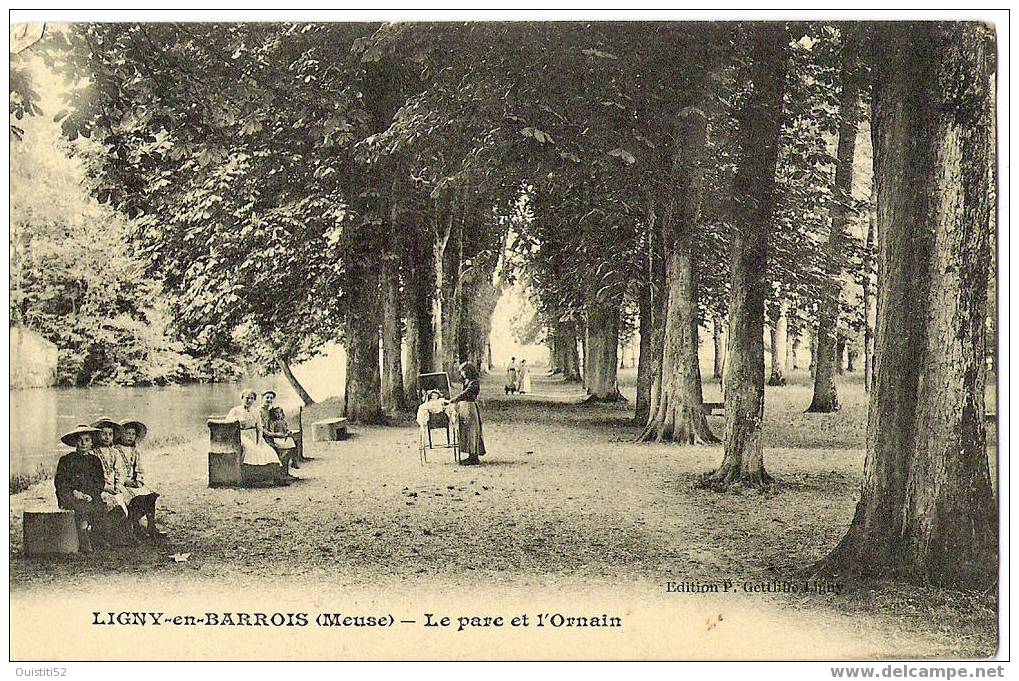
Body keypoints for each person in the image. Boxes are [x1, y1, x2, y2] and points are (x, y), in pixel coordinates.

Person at [54, 425, 106, 553]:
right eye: (80, 440)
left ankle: (96, 536)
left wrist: (90, 494)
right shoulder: (66, 460)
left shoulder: (95, 461)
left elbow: (99, 482)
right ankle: (83, 537)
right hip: (70, 495)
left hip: (89, 495)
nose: (83, 443)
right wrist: (74, 492)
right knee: (80, 508)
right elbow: (60, 482)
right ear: (75, 442)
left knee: (99, 506)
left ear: (92, 442)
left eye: (87, 440)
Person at [225, 389, 288, 485]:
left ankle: (273, 477)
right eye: (247, 398)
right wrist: (237, 421)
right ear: (242, 398)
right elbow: (227, 424)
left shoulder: (255, 412)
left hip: (254, 435)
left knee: (268, 450)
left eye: (252, 399)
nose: (249, 401)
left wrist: (259, 441)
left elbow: (259, 428)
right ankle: (248, 478)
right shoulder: (235, 410)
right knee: (250, 449)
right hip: (241, 435)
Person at [116, 420, 165, 541]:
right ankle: (135, 526)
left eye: (133, 434)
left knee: (151, 495)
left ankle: (151, 525)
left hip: (133, 482)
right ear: (120, 435)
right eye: (127, 433)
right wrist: (126, 482)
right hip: (121, 483)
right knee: (136, 498)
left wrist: (138, 480)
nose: (130, 436)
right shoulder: (115, 450)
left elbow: (139, 468)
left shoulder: (135, 451)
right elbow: (115, 469)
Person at [91, 418, 135, 545]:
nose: (106, 437)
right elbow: (93, 477)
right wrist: (105, 487)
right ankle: (107, 535)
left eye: (110, 434)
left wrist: (118, 485)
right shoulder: (93, 452)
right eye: (103, 434)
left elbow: (119, 472)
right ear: (98, 435)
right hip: (101, 488)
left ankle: (124, 532)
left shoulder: (115, 452)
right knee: (111, 503)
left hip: (114, 487)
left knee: (126, 499)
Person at [446, 361, 486, 466]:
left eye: (463, 371)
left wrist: (453, 400)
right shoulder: (467, 381)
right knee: (466, 431)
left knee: (472, 431)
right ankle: (470, 455)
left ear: (468, 371)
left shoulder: (474, 383)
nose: (462, 374)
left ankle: (474, 457)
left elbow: (465, 394)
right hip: (464, 408)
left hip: (470, 408)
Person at [260, 390, 298, 469]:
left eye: (271, 398)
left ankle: (285, 472)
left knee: (292, 443)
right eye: (267, 397)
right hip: (264, 437)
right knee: (280, 449)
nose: (269, 400)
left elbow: (279, 421)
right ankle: (280, 474)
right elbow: (262, 429)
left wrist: (285, 433)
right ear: (262, 398)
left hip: (272, 436)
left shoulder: (270, 411)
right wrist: (276, 434)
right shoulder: (259, 411)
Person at [264, 406, 299, 481]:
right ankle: (286, 470)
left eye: (280, 412)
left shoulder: (283, 421)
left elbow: (286, 430)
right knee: (285, 452)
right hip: (277, 439)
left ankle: (294, 461)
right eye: (276, 413)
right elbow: (272, 432)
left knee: (292, 442)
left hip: (283, 438)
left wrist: (288, 432)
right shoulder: (273, 422)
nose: (278, 414)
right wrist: (279, 434)